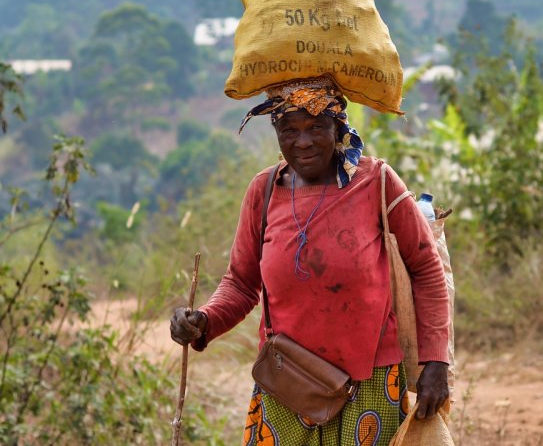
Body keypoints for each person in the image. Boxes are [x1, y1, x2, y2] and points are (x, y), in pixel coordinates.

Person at [170, 75, 450, 445]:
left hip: (371, 381)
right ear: (276, 132)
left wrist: (436, 361)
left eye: (316, 126)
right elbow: (241, 283)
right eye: (289, 129)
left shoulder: (377, 182)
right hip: (285, 380)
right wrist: (203, 321)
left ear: (338, 127)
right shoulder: (264, 190)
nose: (303, 141)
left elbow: (426, 270)